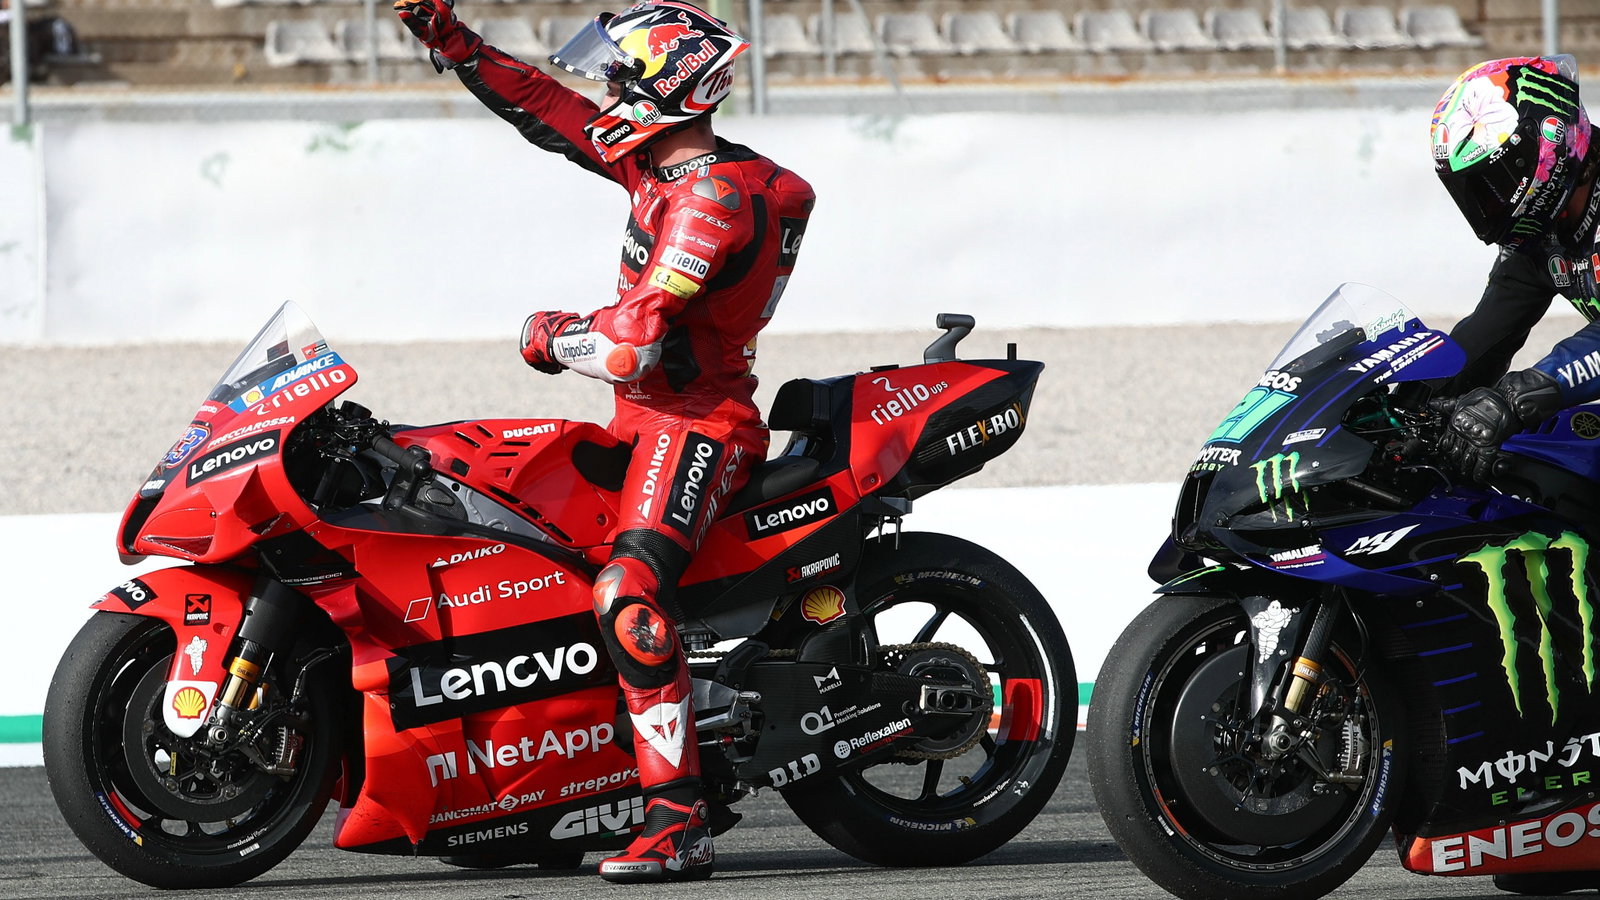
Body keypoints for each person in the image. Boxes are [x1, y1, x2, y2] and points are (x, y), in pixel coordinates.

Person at [392, 0, 814, 884]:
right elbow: (547, 107)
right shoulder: (655, 165)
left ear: (671, 91)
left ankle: (678, 822)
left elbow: (630, 344)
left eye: (621, 80)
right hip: (638, 421)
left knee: (627, 590)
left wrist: (548, 334)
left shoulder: (710, 202)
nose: (606, 95)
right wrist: (450, 40)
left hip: (698, 424)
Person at [1431, 55, 1600, 482]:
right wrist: (1412, 403)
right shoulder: (1542, 231)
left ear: (1548, 145)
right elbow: (1488, 331)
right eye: (1473, 194)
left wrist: (1512, 398)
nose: (1485, 207)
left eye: (1495, 184)